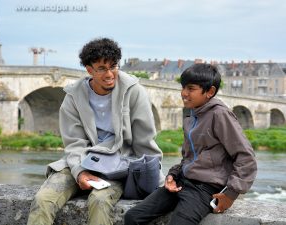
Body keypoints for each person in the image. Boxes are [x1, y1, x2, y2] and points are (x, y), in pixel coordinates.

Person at [27, 37, 164, 225]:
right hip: (81, 160)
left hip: (118, 164)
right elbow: (74, 144)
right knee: (43, 200)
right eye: (102, 69)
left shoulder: (134, 91)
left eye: (113, 66)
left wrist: (159, 181)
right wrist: (80, 172)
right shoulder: (73, 97)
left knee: (99, 201)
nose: (109, 74)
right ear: (89, 70)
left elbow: (145, 141)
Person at [124, 63, 257, 225]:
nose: (183, 93)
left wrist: (231, 194)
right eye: (183, 87)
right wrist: (172, 175)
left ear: (210, 92)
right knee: (132, 217)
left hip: (205, 189)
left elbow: (246, 157)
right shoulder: (192, 116)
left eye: (191, 89)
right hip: (183, 182)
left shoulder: (220, 115)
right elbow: (188, 157)